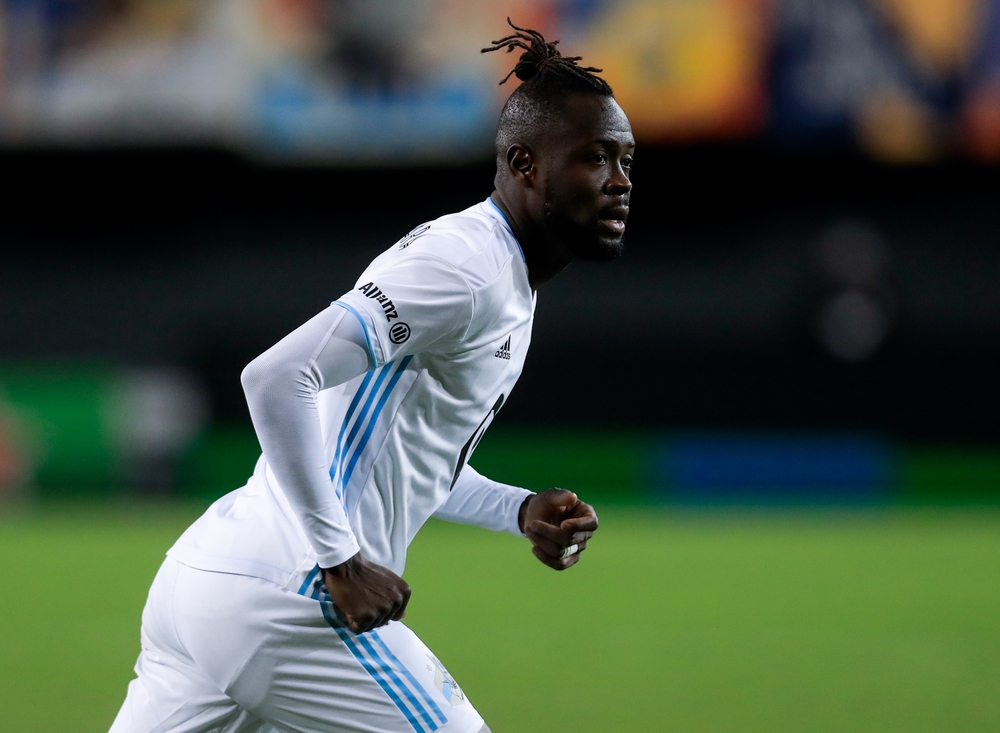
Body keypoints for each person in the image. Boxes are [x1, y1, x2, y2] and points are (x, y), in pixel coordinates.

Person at [110, 20, 634, 733]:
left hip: (213, 579)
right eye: (595, 158)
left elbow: (401, 458)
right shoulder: (468, 268)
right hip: (289, 596)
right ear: (524, 163)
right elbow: (275, 377)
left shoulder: (499, 274)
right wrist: (340, 560)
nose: (620, 182)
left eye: (626, 160)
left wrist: (516, 509)